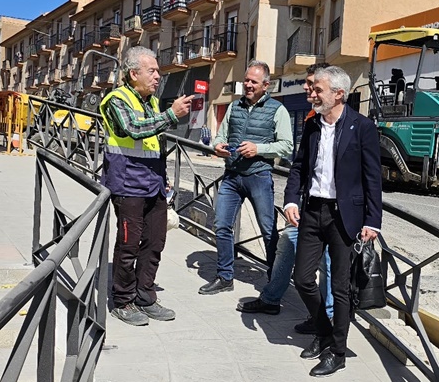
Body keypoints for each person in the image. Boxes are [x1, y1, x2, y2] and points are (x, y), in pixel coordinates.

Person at [284, 66, 383, 377]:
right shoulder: (312, 125)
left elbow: (372, 177)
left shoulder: (362, 127)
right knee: (302, 279)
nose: (313, 94)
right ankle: (325, 333)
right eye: (313, 90)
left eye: (319, 90)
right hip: (312, 210)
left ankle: (336, 352)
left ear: (339, 94)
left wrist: (373, 220)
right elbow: (299, 167)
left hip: (344, 216)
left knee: (340, 288)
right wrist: (290, 199)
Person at [99, 46, 192, 325]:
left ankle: (145, 296)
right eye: (151, 71)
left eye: (158, 72)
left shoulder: (151, 102)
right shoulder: (117, 99)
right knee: (128, 244)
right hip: (127, 184)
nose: (157, 77)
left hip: (153, 184)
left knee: (154, 242)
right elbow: (134, 129)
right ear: (133, 73)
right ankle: (123, 300)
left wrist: (163, 178)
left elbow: (155, 145)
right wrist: (171, 115)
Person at [237, 63, 333, 332]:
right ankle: (271, 299)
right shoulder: (313, 119)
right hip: (307, 207)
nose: (306, 87)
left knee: (327, 265)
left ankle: (327, 320)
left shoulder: (346, 123)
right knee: (287, 244)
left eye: (311, 83)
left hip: (331, 211)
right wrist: (292, 200)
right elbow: (300, 165)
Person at [199, 61, 293, 295]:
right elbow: (220, 135)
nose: (248, 85)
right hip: (232, 176)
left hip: (259, 176)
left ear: (266, 85)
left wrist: (258, 149)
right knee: (221, 224)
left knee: (268, 229)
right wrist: (218, 146)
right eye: (247, 80)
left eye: (254, 81)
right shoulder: (233, 107)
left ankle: (274, 280)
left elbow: (287, 146)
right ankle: (224, 276)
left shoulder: (277, 110)